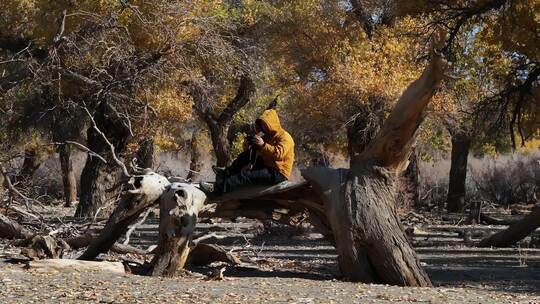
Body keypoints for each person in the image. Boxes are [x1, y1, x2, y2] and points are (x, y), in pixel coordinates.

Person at [201, 109, 294, 194]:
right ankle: (226, 173)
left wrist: (263, 145)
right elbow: (254, 153)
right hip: (267, 166)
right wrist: (247, 145)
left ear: (273, 124)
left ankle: (216, 189)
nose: (263, 128)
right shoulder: (267, 136)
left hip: (278, 173)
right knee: (245, 155)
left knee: (245, 176)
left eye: (265, 125)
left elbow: (278, 154)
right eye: (262, 125)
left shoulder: (285, 137)